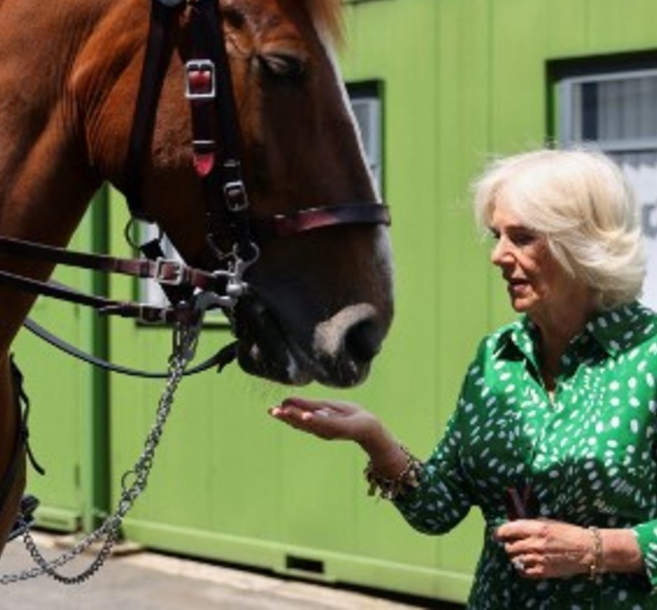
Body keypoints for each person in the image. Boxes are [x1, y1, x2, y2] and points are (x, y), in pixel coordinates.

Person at [270, 147, 657, 608]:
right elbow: (440, 508)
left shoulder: (647, 357)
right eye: (497, 235)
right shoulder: (497, 357)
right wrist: (372, 438)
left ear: (584, 242)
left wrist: (598, 550)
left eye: (522, 237)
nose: (497, 255)